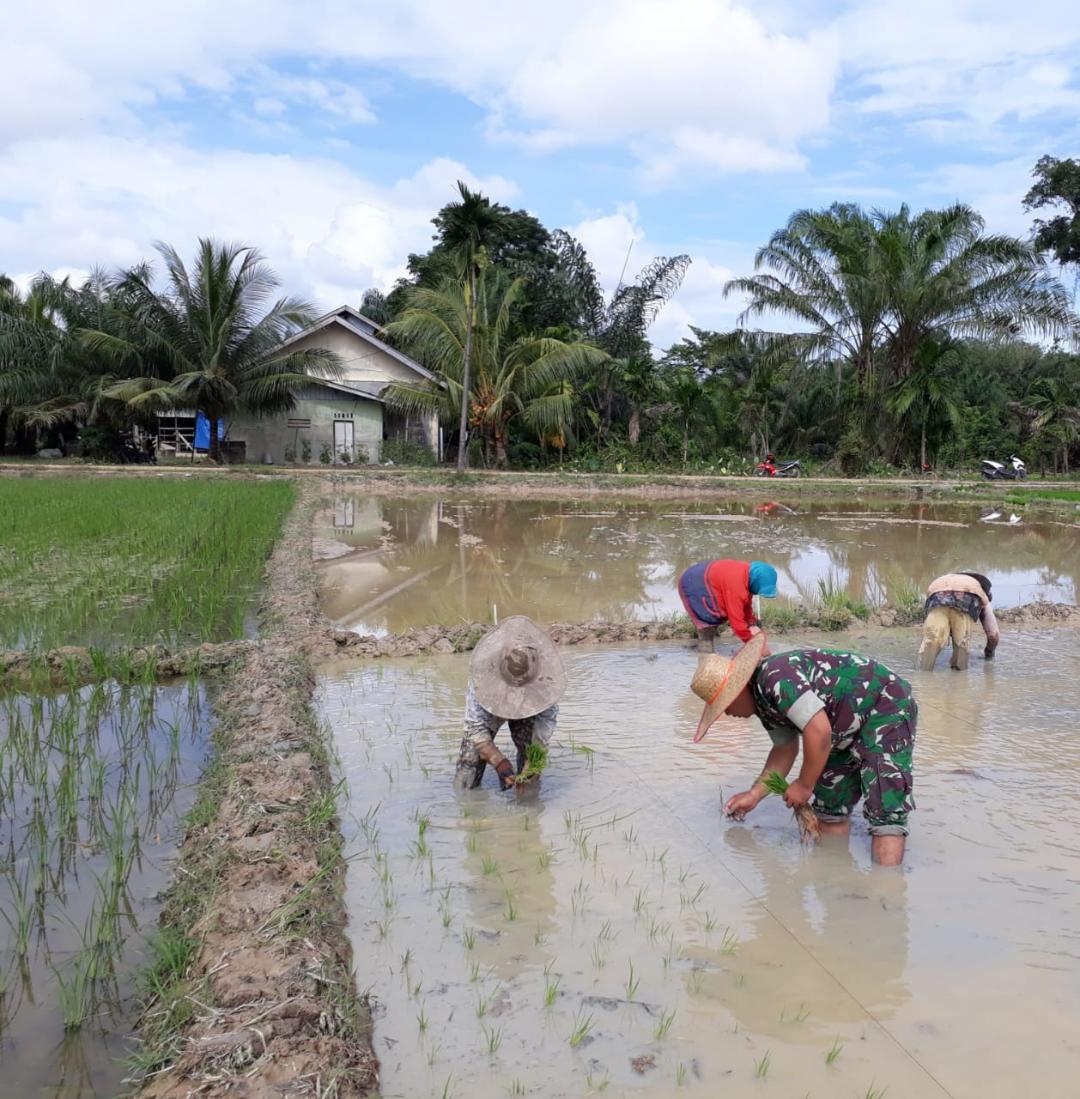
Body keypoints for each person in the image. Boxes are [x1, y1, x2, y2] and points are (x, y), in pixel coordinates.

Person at [691, 634, 916, 866]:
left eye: (724, 706)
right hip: (838, 729)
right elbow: (784, 749)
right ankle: (839, 885)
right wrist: (754, 795)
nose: (727, 714)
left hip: (884, 705)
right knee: (831, 807)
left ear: (738, 691)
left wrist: (804, 785)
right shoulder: (763, 705)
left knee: (885, 810)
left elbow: (818, 731)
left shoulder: (774, 679)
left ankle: (886, 893)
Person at [454, 616, 566, 790]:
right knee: (469, 766)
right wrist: (499, 762)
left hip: (529, 704)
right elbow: (475, 728)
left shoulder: (546, 683)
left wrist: (532, 765)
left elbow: (543, 727)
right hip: (492, 701)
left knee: (531, 762)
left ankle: (528, 809)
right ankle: (467, 803)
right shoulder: (482, 677)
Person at [677, 559, 778, 653]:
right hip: (693, 583)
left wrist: (752, 623)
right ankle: (705, 652)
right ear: (755, 582)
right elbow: (737, 623)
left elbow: (746, 606)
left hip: (703, 575)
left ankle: (701, 647)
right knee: (707, 626)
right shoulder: (737, 586)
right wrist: (754, 644)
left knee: (720, 614)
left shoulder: (747, 575)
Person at [918, 571, 1000, 671]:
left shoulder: (946, 578)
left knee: (931, 640)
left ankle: (922, 676)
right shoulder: (980, 592)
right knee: (961, 644)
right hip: (967, 596)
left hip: (936, 593)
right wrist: (989, 653)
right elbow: (993, 635)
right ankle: (959, 678)